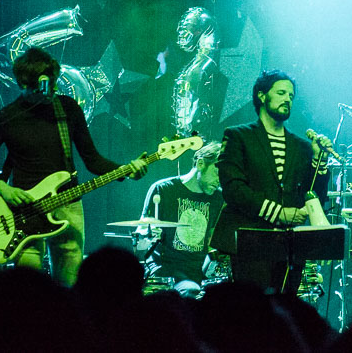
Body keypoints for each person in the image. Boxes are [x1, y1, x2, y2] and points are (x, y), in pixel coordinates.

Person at [0, 47, 146, 286]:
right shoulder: (7, 116)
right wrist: (4, 189)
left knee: (70, 284)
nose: (48, 92)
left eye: (52, 84)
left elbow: (92, 160)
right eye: (40, 87)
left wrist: (126, 170)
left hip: (67, 204)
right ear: (23, 84)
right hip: (23, 211)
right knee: (28, 289)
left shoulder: (67, 109)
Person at [210, 70, 333, 294]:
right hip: (250, 240)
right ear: (261, 96)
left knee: (285, 309)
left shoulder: (301, 146)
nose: (287, 99)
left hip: (288, 244)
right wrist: (279, 212)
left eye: (291, 96)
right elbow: (233, 189)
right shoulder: (238, 136)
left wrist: (319, 162)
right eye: (281, 92)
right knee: (253, 312)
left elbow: (313, 196)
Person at [138, 140, 225, 290]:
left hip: (198, 272)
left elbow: (213, 238)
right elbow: (140, 235)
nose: (219, 181)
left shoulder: (219, 198)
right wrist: (147, 234)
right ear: (200, 164)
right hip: (165, 269)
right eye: (217, 173)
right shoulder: (163, 189)